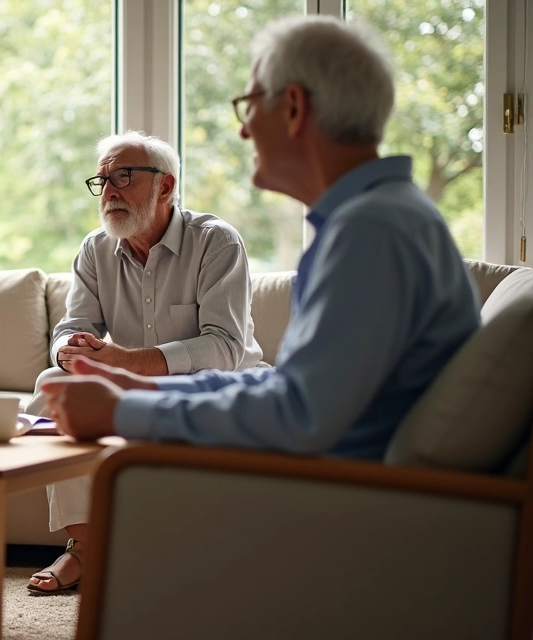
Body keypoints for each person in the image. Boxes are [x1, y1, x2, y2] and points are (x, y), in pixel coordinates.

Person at [40, 12, 480, 552]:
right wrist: (130, 390)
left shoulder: (371, 232)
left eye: (249, 107)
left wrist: (124, 407)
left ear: (293, 108)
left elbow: (299, 415)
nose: (245, 129)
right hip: (350, 490)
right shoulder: (378, 218)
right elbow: (296, 393)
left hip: (357, 516)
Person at [24, 130, 264, 595]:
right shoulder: (95, 249)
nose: (109, 190)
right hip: (131, 383)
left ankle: (118, 556)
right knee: (53, 381)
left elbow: (225, 348)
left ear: (166, 187)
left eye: (124, 177)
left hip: (220, 383)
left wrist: (125, 363)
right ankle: (87, 545)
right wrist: (72, 351)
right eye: (103, 181)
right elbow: (71, 327)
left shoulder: (216, 242)